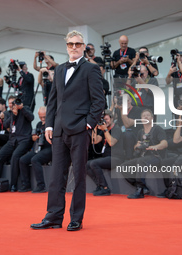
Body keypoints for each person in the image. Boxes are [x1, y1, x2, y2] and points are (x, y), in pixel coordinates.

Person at [31, 30, 105, 231]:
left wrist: (88, 124)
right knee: (56, 176)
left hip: (80, 130)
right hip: (59, 131)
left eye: (78, 44)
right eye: (71, 44)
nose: (74, 47)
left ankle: (76, 218)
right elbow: (53, 100)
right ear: (66, 46)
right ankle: (53, 217)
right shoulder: (60, 69)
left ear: (84, 47)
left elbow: (99, 102)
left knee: (79, 176)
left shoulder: (91, 69)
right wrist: (49, 125)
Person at [121, 109, 167, 199]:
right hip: (143, 157)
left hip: (156, 156)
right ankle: (142, 187)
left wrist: (155, 147)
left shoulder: (157, 129)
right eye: (143, 116)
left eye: (148, 115)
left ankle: (140, 190)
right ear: (141, 119)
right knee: (124, 166)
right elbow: (136, 147)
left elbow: (165, 143)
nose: (145, 117)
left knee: (141, 162)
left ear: (152, 118)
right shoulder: (140, 132)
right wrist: (136, 146)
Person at [0, 97, 34, 192]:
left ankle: (13, 184)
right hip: (12, 140)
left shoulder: (25, 108)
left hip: (24, 140)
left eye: (13, 103)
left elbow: (31, 118)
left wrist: (21, 109)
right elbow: (6, 125)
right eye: (10, 103)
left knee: (15, 156)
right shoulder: (9, 113)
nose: (12, 105)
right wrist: (14, 115)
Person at [86, 109, 124, 196]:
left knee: (94, 163)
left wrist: (105, 130)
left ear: (111, 119)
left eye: (106, 119)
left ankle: (105, 188)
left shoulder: (116, 129)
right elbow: (94, 141)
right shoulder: (104, 131)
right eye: (102, 120)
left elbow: (111, 142)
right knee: (86, 164)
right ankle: (99, 185)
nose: (104, 121)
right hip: (107, 158)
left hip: (116, 158)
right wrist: (95, 128)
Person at [19, 106, 52, 193]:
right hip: (38, 148)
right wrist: (34, 137)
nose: (42, 119)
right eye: (41, 117)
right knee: (22, 160)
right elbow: (34, 137)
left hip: (49, 148)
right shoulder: (39, 124)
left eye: (44, 117)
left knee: (35, 159)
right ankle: (26, 184)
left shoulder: (52, 124)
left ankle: (41, 185)